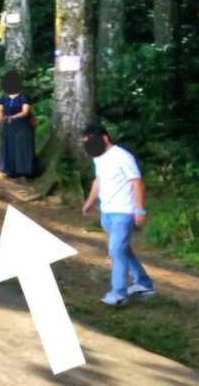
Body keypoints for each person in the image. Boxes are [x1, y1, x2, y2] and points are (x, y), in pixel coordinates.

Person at [81, 124, 155, 306]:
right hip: (107, 211)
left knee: (115, 250)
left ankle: (119, 293)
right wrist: (89, 202)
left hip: (124, 211)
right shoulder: (99, 157)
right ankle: (144, 283)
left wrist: (139, 210)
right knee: (122, 249)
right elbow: (98, 181)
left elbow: (137, 183)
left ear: (104, 139)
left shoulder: (123, 157)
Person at [0, 69, 36, 178]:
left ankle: (25, 171)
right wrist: (1, 117)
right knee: (9, 146)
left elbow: (25, 111)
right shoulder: (4, 97)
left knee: (22, 147)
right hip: (8, 126)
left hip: (22, 126)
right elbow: (0, 108)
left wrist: (13, 117)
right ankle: (10, 170)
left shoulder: (24, 96)